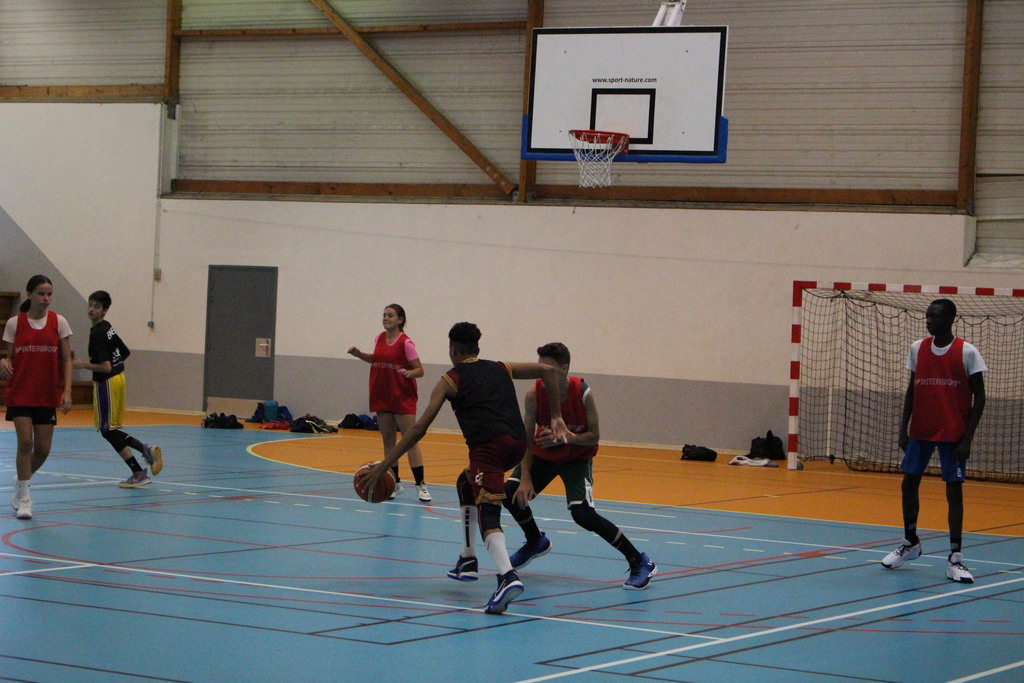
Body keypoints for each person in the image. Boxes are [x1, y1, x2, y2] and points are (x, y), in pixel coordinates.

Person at [364, 322, 569, 614]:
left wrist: (385, 465)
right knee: (465, 482)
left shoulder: (450, 379)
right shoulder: (501, 367)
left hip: (490, 448)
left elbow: (418, 429)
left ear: (452, 349)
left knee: (488, 510)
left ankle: (507, 577)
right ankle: (467, 558)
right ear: (477, 347)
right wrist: (556, 416)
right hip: (517, 445)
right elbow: (549, 371)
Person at [503, 343, 657, 589]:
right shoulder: (534, 394)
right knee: (511, 493)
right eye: (539, 368)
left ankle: (639, 560)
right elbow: (526, 438)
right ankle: (535, 541)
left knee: (583, 514)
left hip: (576, 458)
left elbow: (594, 436)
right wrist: (526, 478)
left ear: (564, 369)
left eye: (548, 369)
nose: (543, 374)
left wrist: (568, 438)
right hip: (544, 455)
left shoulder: (582, 393)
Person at [882, 299, 986, 583]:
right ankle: (910, 542)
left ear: (951, 318)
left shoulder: (967, 351)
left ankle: (955, 557)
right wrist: (903, 429)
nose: (929, 320)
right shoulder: (917, 348)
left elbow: (980, 398)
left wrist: (967, 438)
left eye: (935, 316)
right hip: (921, 430)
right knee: (908, 484)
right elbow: (911, 390)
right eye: (927, 315)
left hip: (953, 433)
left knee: (954, 490)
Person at [72, 290, 163, 488]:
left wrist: (83, 365)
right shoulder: (107, 327)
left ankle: (141, 461)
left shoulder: (97, 333)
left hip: (106, 382)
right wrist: (115, 365)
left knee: (107, 430)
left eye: (97, 307)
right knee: (110, 429)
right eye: (90, 305)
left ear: (105, 310)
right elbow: (125, 352)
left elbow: (105, 367)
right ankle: (140, 464)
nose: (91, 309)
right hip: (119, 378)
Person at [1, 275, 73, 520]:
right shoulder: (15, 323)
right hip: (21, 392)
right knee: (25, 443)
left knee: (42, 448)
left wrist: (67, 391)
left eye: (49, 294)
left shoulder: (59, 322)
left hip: (47, 392)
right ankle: (25, 498)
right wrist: (3, 361)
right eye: (41, 293)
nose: (46, 298)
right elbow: (10, 358)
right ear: (30, 294)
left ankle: (21, 479)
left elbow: (66, 359)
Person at [348, 304, 431, 502]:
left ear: (400, 319)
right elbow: (375, 359)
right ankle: (395, 483)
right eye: (384, 315)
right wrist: (360, 354)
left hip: (401, 395)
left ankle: (421, 484)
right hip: (381, 394)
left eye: (390, 315)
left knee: (410, 441)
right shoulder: (379, 338)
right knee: (388, 441)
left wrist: (409, 373)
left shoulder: (406, 343)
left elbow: (420, 370)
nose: (386, 318)